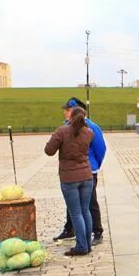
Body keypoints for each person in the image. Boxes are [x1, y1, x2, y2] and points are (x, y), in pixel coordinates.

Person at [53, 97, 107, 245]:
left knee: (90, 202)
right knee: (72, 203)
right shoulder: (67, 126)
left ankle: (97, 231)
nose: (65, 112)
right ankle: (70, 229)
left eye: (68, 110)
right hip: (74, 171)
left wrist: (94, 165)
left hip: (88, 170)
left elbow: (100, 148)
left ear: (76, 111)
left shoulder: (91, 127)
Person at [44, 106, 94, 257]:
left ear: (70, 116)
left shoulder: (62, 131)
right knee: (85, 210)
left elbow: (49, 150)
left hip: (69, 177)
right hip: (86, 175)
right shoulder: (89, 132)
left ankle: (81, 246)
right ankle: (87, 244)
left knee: (76, 212)